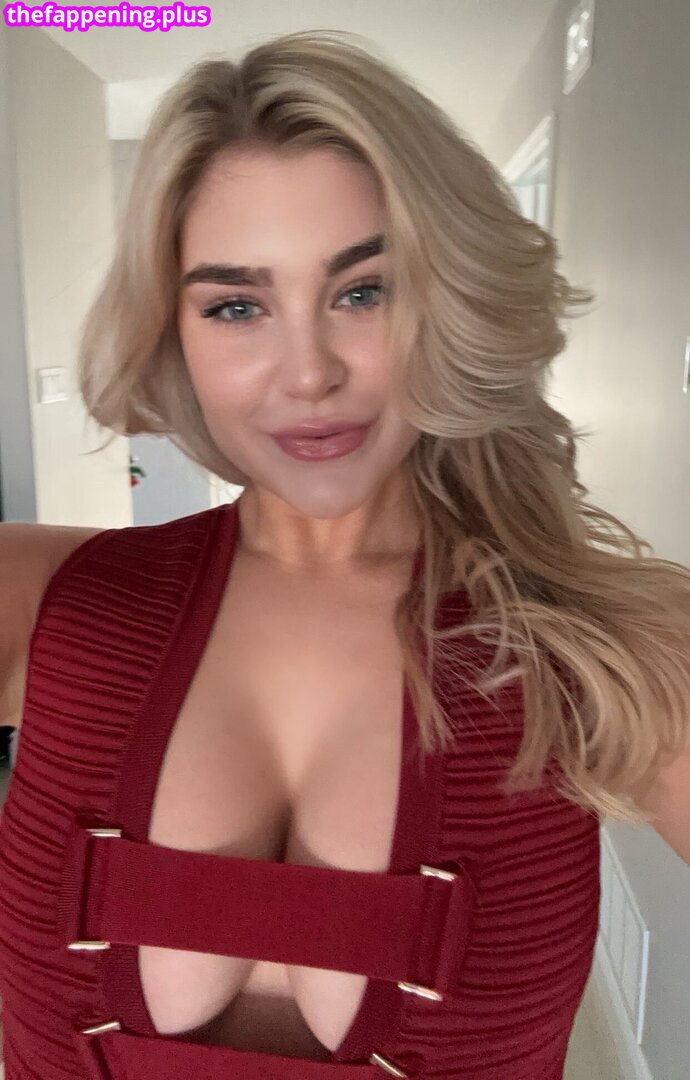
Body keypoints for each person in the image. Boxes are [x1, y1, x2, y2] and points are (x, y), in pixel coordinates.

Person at [0, 29, 688, 1080]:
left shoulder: (608, 651)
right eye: (238, 306)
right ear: (174, 334)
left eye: (364, 291)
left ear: (449, 299)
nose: (309, 372)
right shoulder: (44, 604)